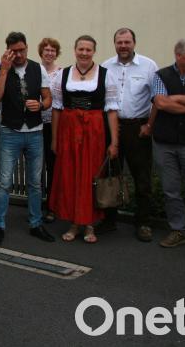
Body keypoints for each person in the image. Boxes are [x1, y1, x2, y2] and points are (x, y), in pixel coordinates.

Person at [49, 35, 120, 244]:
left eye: (88, 50)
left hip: (94, 131)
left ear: (94, 52)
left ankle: (89, 223)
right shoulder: (62, 75)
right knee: (71, 175)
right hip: (69, 131)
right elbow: (56, 110)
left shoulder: (106, 75)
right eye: (81, 49)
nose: (84, 53)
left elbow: (112, 111)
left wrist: (114, 142)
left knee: (90, 176)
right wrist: (54, 139)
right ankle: (74, 222)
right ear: (75, 50)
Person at [0, 32, 55, 245]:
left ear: (27, 47)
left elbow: (48, 97)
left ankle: (36, 223)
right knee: (4, 181)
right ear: (8, 50)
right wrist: (5, 71)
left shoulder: (38, 68)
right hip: (10, 131)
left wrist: (42, 105)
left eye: (22, 50)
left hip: (35, 131)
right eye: (14, 51)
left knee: (35, 183)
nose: (18, 54)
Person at [99, 28, 159, 242]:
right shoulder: (105, 66)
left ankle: (143, 222)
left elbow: (158, 98)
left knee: (142, 177)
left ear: (134, 43)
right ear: (114, 44)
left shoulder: (149, 66)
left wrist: (149, 126)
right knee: (111, 175)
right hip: (113, 127)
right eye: (119, 42)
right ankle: (109, 220)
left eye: (127, 42)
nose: (123, 46)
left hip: (138, 128)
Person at [152, 39, 185, 253]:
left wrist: (179, 98)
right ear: (179, 55)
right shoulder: (161, 75)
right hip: (165, 143)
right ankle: (178, 230)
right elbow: (161, 103)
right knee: (171, 190)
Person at [37, 38, 62, 224]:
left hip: (54, 126)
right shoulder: (35, 70)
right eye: (46, 50)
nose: (49, 53)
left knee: (53, 167)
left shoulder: (62, 73)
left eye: (53, 50)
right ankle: (36, 204)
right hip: (37, 124)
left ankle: (52, 206)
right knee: (37, 168)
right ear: (41, 52)